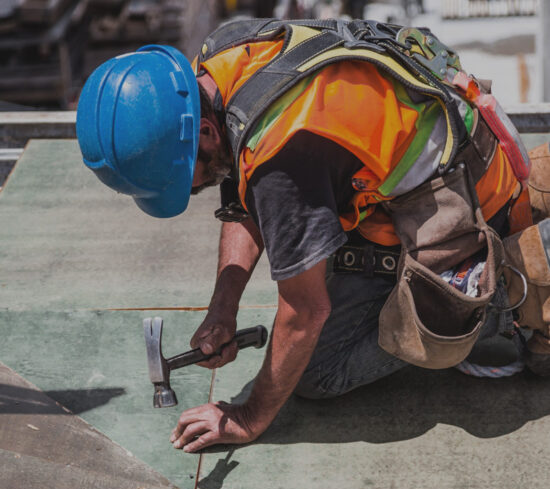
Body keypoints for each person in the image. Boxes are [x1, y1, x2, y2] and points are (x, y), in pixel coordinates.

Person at [76, 19, 550, 453]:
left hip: (461, 204)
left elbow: (305, 311)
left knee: (321, 370)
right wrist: (223, 309)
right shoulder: (223, 60)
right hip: (422, 170)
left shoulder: (285, 154)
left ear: (203, 131)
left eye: (188, 177)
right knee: (311, 285)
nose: (196, 188)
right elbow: (244, 198)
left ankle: (513, 287)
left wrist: (247, 417)